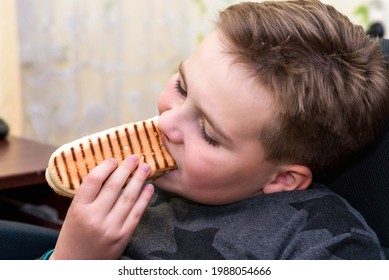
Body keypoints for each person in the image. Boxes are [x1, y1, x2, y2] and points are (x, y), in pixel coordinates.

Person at [45, 0, 389, 259]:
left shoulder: (325, 245)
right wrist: (68, 257)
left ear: (281, 180)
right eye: (182, 87)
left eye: (208, 133)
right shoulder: (136, 184)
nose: (166, 123)